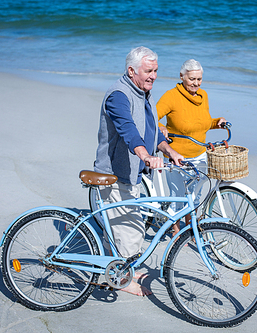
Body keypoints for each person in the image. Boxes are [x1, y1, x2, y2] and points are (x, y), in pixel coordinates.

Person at [94, 46, 183, 296]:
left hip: (132, 172)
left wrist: (168, 151)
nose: (154, 76)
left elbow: (150, 133)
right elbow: (128, 129)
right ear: (132, 70)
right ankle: (120, 279)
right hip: (114, 172)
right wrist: (145, 155)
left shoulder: (143, 92)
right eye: (148, 71)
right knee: (129, 228)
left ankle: (123, 267)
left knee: (127, 226)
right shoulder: (118, 95)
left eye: (156, 70)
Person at [156, 59, 227, 236]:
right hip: (177, 155)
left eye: (199, 79)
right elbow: (151, 118)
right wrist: (161, 127)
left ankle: (191, 230)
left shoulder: (203, 96)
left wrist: (216, 123)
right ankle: (176, 233)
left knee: (195, 197)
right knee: (178, 197)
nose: (196, 83)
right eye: (192, 79)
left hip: (200, 154)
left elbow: (201, 123)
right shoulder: (171, 96)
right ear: (182, 76)